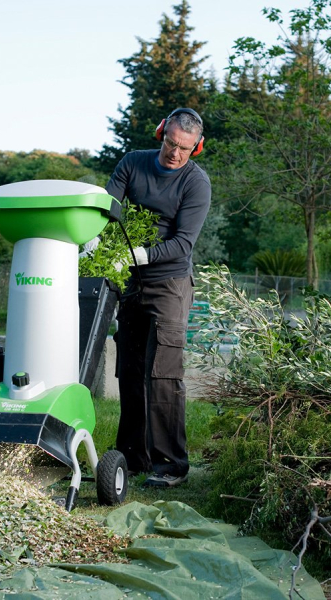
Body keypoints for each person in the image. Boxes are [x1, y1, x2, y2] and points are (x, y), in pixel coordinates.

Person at [105, 107, 212, 488]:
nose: (175, 154)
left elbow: (183, 242)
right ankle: (132, 458)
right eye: (171, 144)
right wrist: (93, 241)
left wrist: (143, 254)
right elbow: (107, 211)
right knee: (130, 369)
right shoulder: (132, 164)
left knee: (163, 373)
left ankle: (171, 466)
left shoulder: (196, 184)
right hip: (129, 281)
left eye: (184, 148)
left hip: (170, 283)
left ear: (195, 148)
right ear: (160, 134)